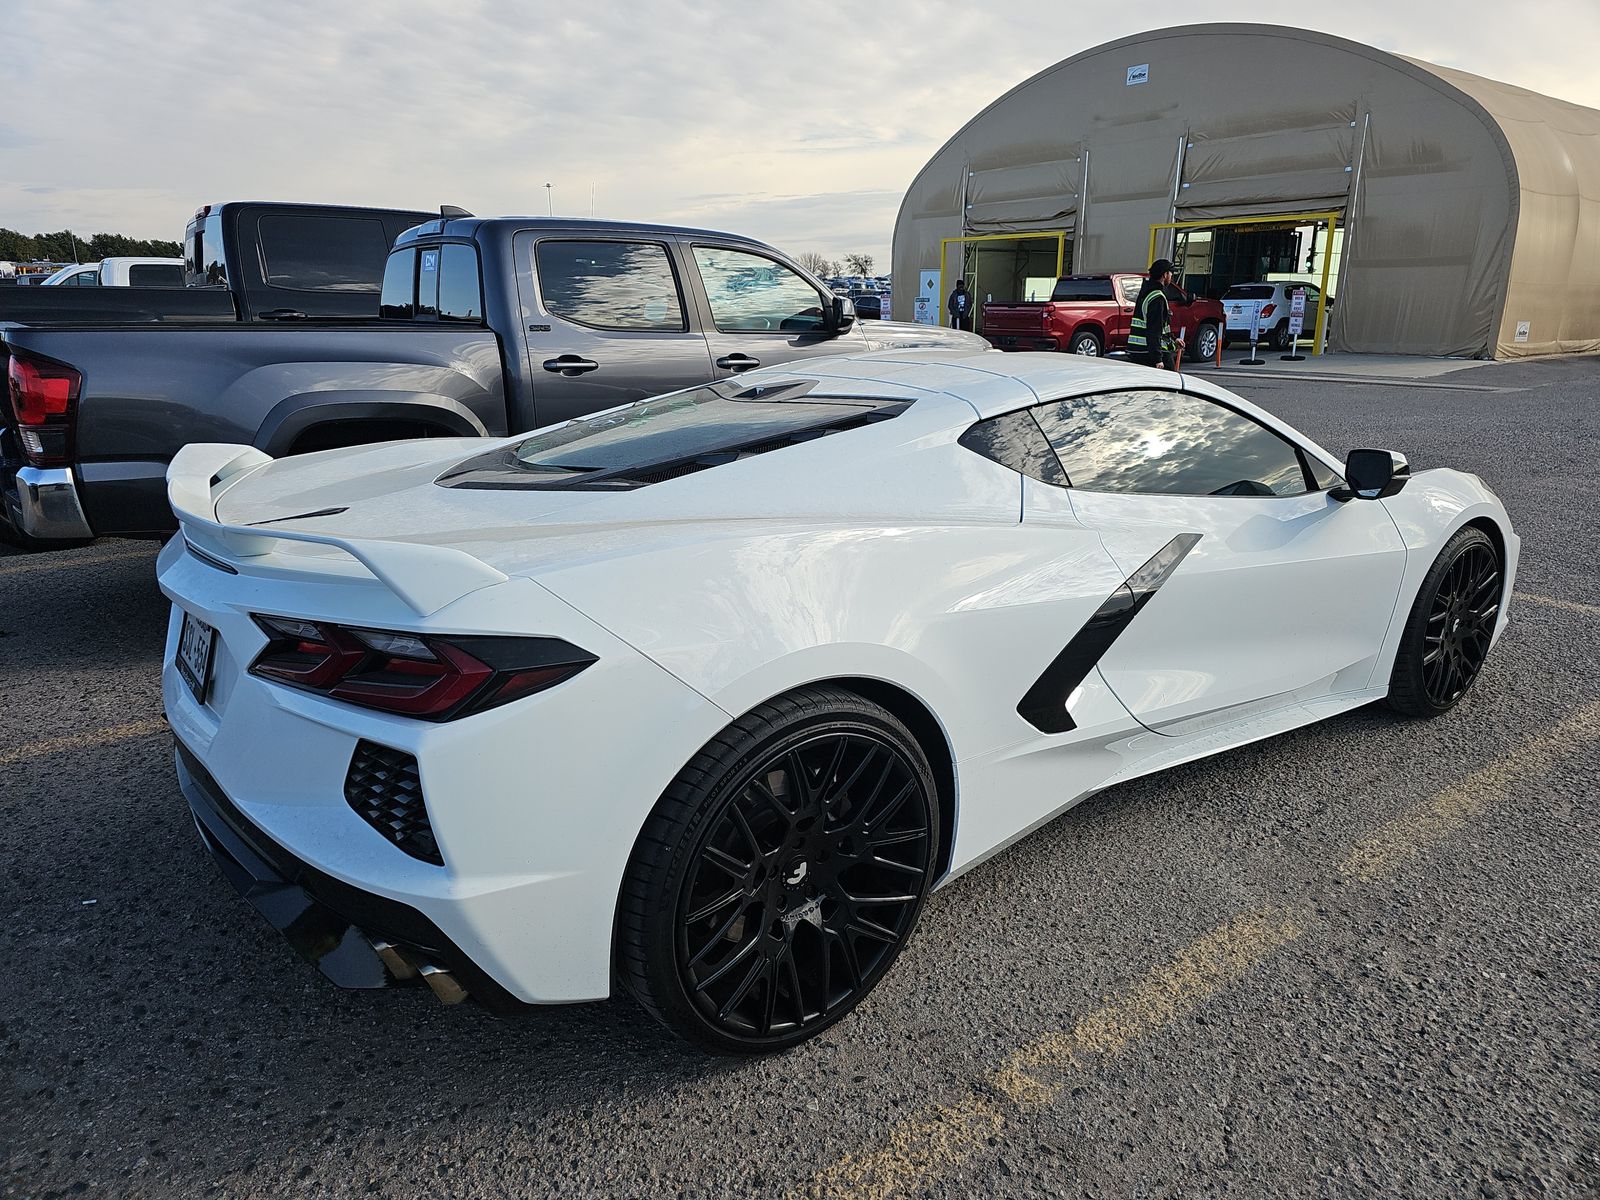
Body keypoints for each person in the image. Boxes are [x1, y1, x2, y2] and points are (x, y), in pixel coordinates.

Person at [1127, 259, 1185, 370]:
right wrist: (1158, 359)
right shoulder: (1157, 297)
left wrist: (1173, 340)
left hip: (1138, 351)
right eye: (1170, 273)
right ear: (1165, 275)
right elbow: (1154, 329)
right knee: (1170, 378)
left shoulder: (1145, 293)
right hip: (1149, 352)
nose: (1171, 276)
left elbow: (1160, 328)